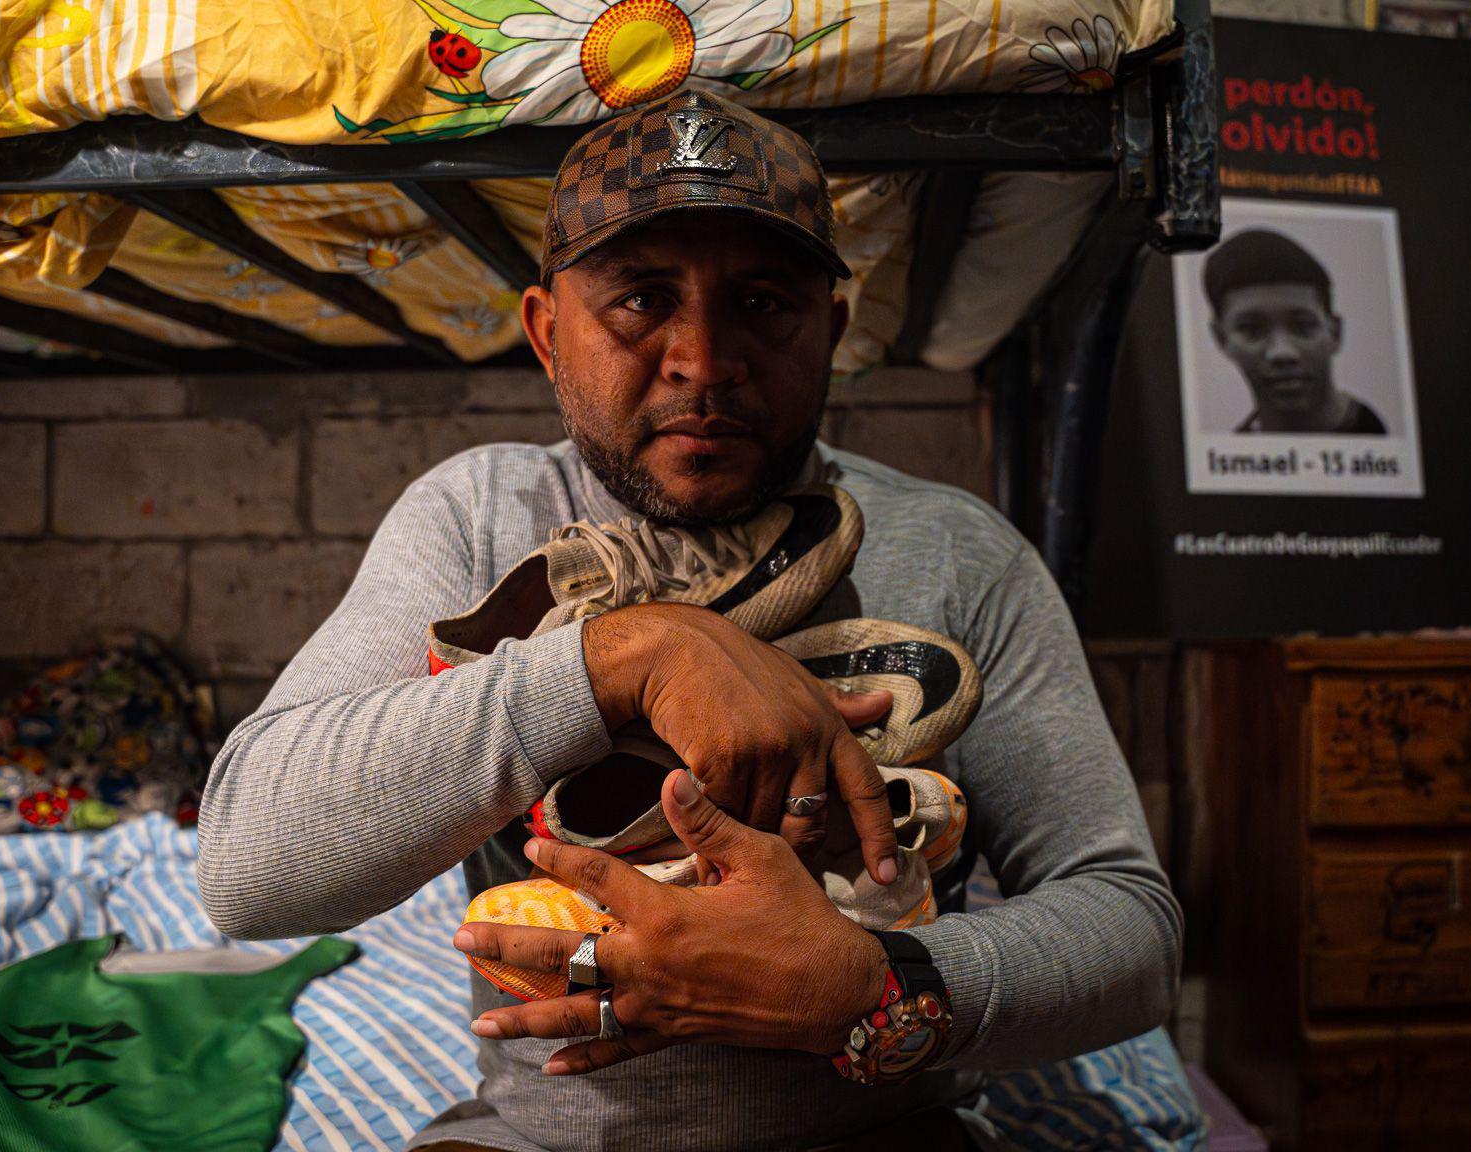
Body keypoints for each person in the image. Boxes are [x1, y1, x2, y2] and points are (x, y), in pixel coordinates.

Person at [196, 91, 1180, 1152]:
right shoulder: (481, 520)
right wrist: (623, 656)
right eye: (639, 299)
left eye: (764, 304)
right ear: (545, 332)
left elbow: (1130, 929)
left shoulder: (957, 552)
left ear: (834, 330)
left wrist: (867, 988)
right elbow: (251, 866)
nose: (703, 360)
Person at [1202, 227, 1387, 435]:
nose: (1282, 352)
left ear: (1335, 332)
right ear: (1221, 338)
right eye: (1252, 330)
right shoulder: (1231, 454)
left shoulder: (1380, 435)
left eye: (1303, 327)